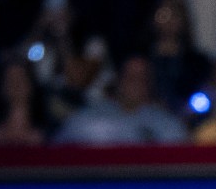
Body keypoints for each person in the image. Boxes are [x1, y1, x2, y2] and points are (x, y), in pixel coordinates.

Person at [55, 54, 190, 143]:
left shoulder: (167, 124)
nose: (136, 83)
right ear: (119, 80)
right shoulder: (87, 118)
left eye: (142, 78)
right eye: (130, 77)